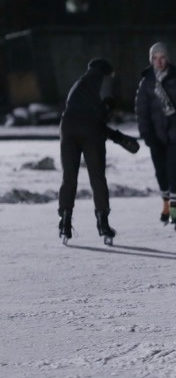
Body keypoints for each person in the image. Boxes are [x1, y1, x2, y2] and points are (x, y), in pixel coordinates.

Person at [58, 58, 139, 246]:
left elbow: (83, 115)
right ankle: (103, 225)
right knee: (97, 178)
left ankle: (65, 223)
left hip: (67, 127)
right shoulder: (103, 83)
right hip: (90, 130)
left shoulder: (78, 84)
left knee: (69, 177)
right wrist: (115, 134)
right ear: (106, 72)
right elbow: (96, 120)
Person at [135, 42, 176, 229]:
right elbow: (141, 112)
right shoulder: (146, 83)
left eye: (162, 57)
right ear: (151, 60)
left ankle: (175, 212)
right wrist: (146, 134)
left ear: (167, 59)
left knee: (173, 173)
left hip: (174, 135)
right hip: (155, 136)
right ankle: (166, 205)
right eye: (155, 58)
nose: (159, 61)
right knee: (161, 174)